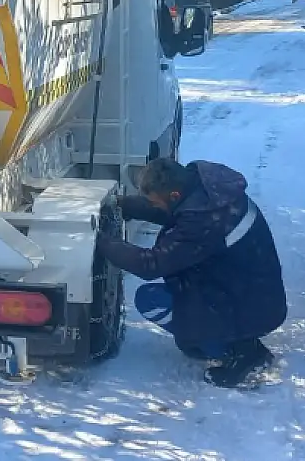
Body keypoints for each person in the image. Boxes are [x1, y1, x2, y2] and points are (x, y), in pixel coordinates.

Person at [98, 157, 288, 389]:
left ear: (175, 195)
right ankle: (225, 340)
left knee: (152, 300)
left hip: (249, 304)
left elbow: (151, 264)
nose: (155, 206)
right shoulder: (208, 190)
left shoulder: (203, 219)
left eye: (156, 203)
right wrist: (123, 205)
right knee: (187, 328)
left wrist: (100, 241)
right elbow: (174, 212)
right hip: (250, 289)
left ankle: (244, 352)